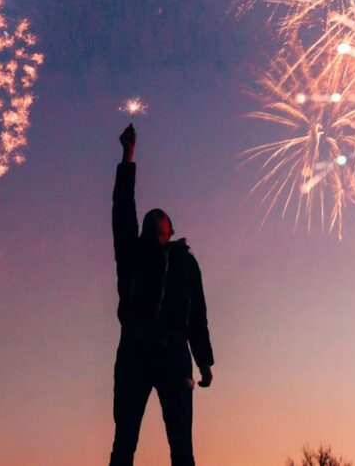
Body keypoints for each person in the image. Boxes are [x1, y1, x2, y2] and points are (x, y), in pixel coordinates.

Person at [109, 123, 214, 466]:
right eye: (149, 219)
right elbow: (122, 208)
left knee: (182, 445)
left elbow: (198, 313)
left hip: (174, 354)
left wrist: (205, 361)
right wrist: (128, 156)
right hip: (135, 350)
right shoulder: (132, 254)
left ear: (170, 230)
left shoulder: (185, 262)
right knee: (124, 441)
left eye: (161, 218)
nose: (154, 218)